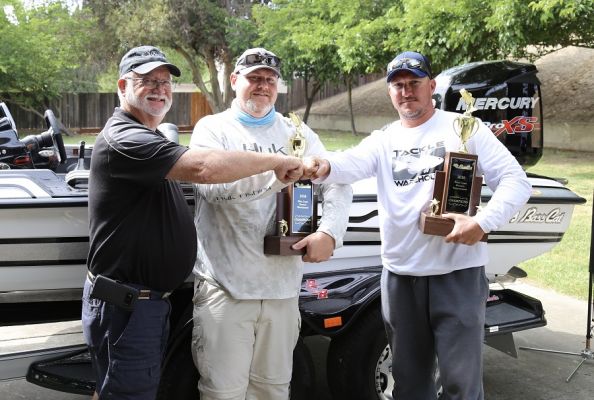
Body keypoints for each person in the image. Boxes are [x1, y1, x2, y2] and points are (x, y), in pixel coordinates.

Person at [303, 51, 532, 399]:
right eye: (398, 85)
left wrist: (483, 222)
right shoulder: (384, 139)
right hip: (400, 278)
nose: (406, 91)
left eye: (414, 83)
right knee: (409, 383)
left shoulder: (464, 128)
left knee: (461, 384)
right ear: (390, 92)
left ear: (432, 86)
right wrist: (317, 165)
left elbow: (516, 181)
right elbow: (346, 164)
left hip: (457, 274)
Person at [83, 45, 305, 400]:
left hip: (144, 303)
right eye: (147, 81)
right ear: (123, 85)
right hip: (128, 304)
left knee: (123, 388)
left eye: (165, 81)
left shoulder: (149, 134)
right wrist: (275, 164)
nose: (159, 88)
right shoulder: (126, 139)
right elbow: (204, 170)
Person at [189, 47, 352, 400]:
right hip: (226, 288)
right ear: (234, 81)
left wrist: (330, 232)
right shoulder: (213, 129)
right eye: (254, 78)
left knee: (273, 391)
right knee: (222, 393)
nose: (262, 86)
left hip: (282, 291)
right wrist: (276, 172)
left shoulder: (298, 130)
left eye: (269, 79)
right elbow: (214, 190)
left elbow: (337, 180)